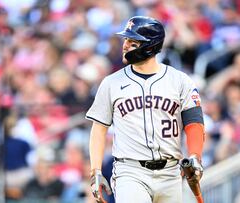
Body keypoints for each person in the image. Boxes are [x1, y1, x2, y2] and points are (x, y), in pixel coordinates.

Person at [85, 16, 206, 203]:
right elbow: (98, 130)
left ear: (150, 46)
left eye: (132, 42)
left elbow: (194, 123)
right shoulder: (111, 83)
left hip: (171, 172)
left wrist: (195, 156)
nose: (125, 45)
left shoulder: (180, 81)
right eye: (126, 40)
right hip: (130, 171)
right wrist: (96, 171)